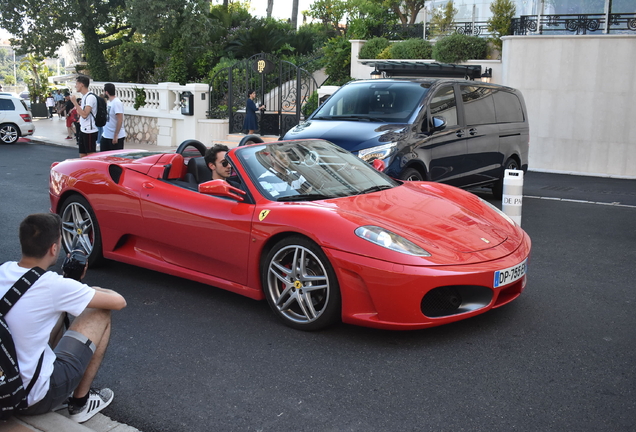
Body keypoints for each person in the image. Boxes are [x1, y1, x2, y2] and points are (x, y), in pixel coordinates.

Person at [0, 213, 126, 423]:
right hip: (30, 398)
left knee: (47, 315)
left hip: (5, 381)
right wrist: (86, 288)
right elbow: (119, 302)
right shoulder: (55, 285)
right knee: (99, 312)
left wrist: (70, 287)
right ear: (54, 248)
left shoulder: (3, 270)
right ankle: (80, 403)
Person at [71, 76, 98, 157]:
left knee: (90, 155)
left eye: (76, 84)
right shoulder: (84, 97)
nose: (75, 86)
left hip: (90, 131)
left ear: (82, 84)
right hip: (83, 129)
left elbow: (85, 114)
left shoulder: (90, 97)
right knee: (82, 154)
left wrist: (75, 103)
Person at [100, 83, 126, 151]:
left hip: (114, 137)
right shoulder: (109, 102)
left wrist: (116, 135)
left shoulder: (117, 103)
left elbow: (120, 120)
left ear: (106, 92)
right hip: (106, 135)